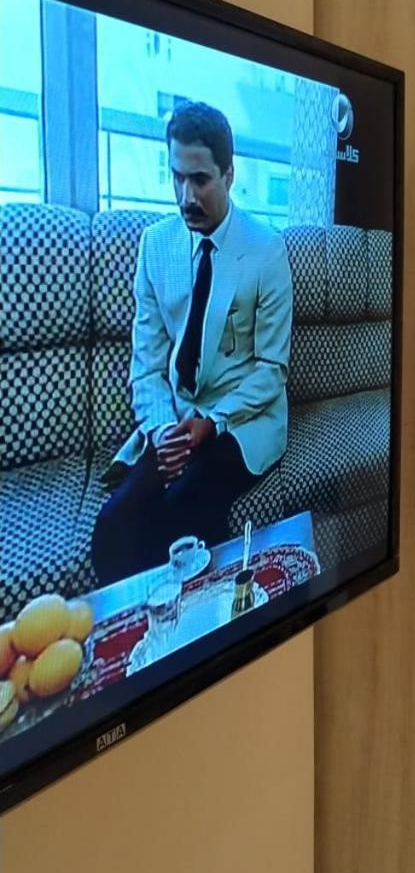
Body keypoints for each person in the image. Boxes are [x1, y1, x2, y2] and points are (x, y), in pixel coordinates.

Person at [91, 102, 293, 584]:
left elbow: (272, 368)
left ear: (229, 175)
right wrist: (164, 430)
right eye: (177, 178)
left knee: (185, 505)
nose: (187, 196)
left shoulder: (266, 249)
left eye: (200, 180)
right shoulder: (155, 245)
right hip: (176, 420)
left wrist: (212, 422)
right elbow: (147, 363)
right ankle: (139, 627)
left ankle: (206, 617)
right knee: (115, 523)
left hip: (243, 420)